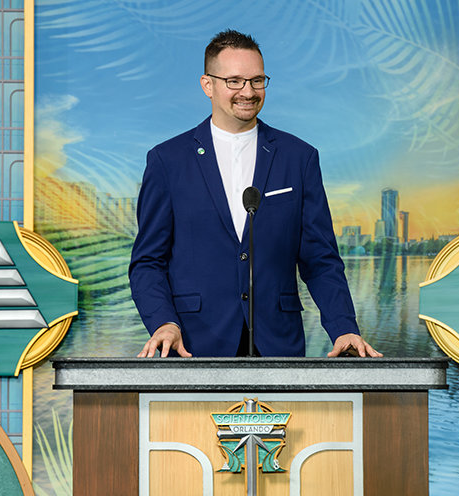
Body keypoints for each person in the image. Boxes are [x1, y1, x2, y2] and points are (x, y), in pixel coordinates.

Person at [129, 30, 381, 359]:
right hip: (192, 344)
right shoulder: (167, 160)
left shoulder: (299, 158)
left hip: (278, 345)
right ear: (207, 85)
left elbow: (320, 259)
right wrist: (164, 322)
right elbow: (148, 262)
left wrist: (344, 326)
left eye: (257, 80)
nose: (247, 92)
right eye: (234, 81)